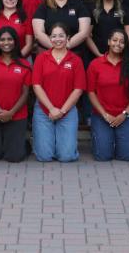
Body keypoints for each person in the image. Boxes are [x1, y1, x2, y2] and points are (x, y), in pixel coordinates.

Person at [31, 24, 85, 162]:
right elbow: (36, 86)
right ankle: (49, 143)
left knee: (66, 157)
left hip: (67, 110)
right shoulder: (41, 58)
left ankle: (66, 145)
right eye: (54, 36)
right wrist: (51, 108)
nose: (58, 39)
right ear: (49, 38)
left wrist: (61, 111)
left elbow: (78, 89)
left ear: (68, 38)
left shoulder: (76, 60)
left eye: (61, 36)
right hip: (44, 110)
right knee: (44, 157)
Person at [87, 29, 129, 162]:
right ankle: (106, 140)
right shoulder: (95, 64)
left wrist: (125, 114)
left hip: (125, 115)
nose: (118, 44)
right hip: (102, 115)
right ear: (108, 42)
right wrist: (105, 115)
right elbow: (91, 92)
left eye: (122, 42)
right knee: (103, 156)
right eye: (115, 40)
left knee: (128, 156)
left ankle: (117, 140)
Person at [0, 28, 32, 163]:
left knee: (14, 157)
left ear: (15, 42)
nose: (6, 43)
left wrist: (11, 112)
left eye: (9, 39)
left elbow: (26, 93)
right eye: (2, 40)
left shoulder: (25, 65)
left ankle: (22, 144)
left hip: (17, 115)